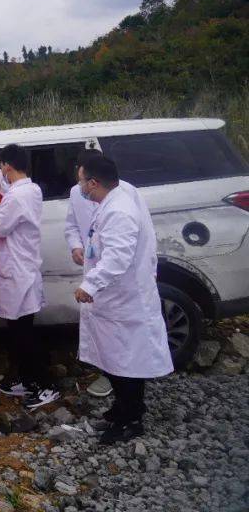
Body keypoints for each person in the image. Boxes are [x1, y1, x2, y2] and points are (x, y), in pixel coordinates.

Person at [75, 155, 173, 444]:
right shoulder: (114, 199)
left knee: (126, 363)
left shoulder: (119, 211)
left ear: (93, 183)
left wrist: (90, 285)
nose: (79, 186)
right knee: (115, 360)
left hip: (123, 301)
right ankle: (122, 408)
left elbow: (118, 258)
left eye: (82, 181)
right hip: (114, 302)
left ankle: (131, 420)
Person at [0, 143, 60, 410]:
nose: (0, 169)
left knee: (23, 335)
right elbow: (4, 187)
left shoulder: (17, 197)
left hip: (18, 275)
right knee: (18, 331)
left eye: (0, 165)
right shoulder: (29, 189)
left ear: (7, 165)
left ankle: (45, 385)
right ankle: (26, 378)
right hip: (22, 272)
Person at [64, 148, 111, 398]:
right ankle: (104, 367)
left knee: (112, 322)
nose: (79, 182)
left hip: (112, 272)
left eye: (81, 176)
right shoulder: (76, 193)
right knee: (96, 320)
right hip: (92, 267)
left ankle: (113, 374)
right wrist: (76, 246)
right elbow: (72, 224)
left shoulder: (119, 196)